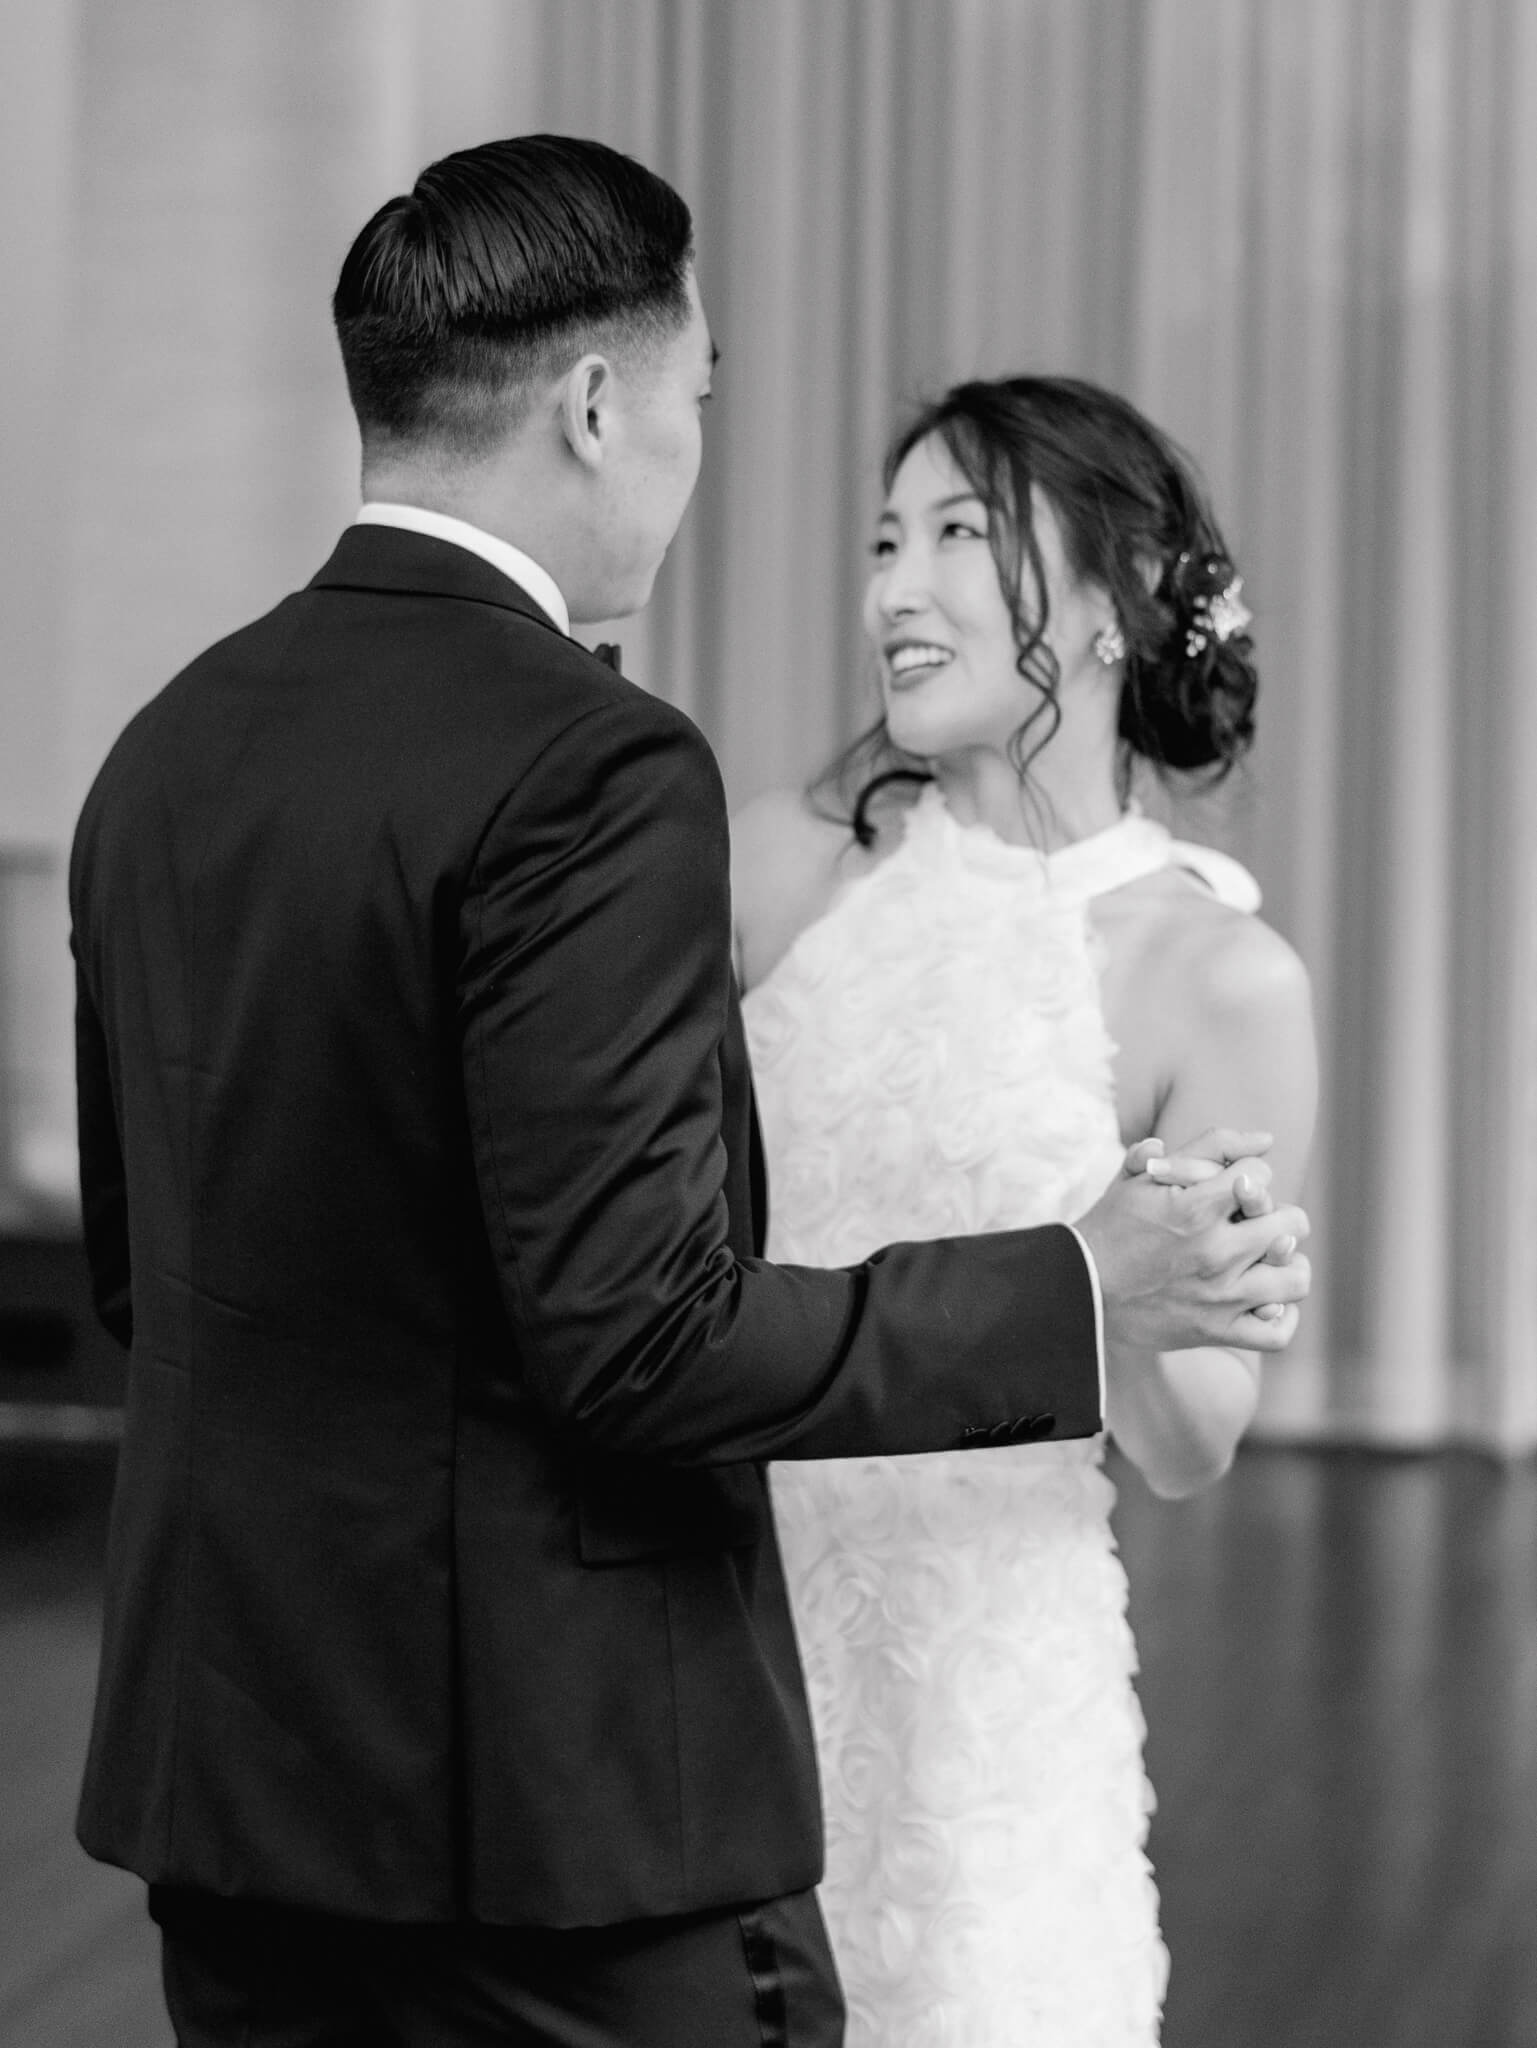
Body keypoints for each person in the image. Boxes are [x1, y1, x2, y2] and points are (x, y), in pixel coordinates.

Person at [70, 140, 1308, 2048]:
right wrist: (1082, 1278)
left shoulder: (165, 751)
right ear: (593, 403)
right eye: (698, 402)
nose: (889, 572)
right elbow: (630, 1330)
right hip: (576, 1780)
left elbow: (152, 1280)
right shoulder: (609, 776)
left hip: (238, 1765)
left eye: (957, 534)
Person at [732, 374, 1319, 2045]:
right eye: (882, 540)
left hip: (989, 1691)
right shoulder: (785, 867)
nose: (890, 591)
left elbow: (1193, 1445)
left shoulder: (1216, 977)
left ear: (1113, 597)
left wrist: (1108, 1255)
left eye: (956, 538)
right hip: (724, 1632)